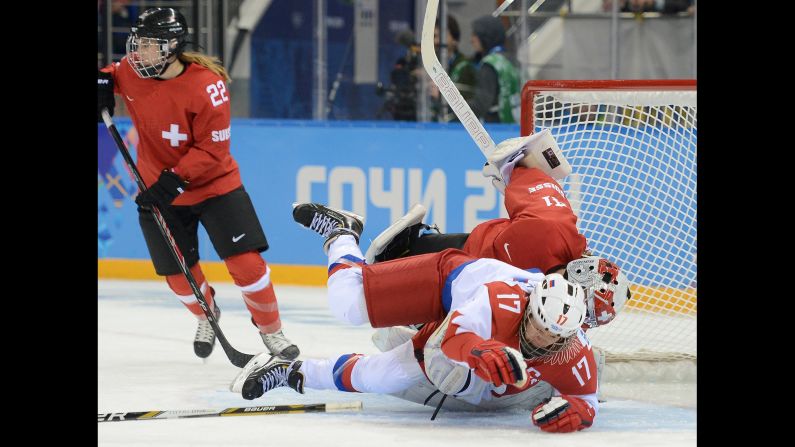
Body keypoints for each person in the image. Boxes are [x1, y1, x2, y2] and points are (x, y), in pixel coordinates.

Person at [231, 224, 598, 433]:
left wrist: (580, 412)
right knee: (350, 310)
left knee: (388, 378)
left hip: (470, 342)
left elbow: (587, 398)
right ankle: (342, 236)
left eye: (554, 336)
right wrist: (478, 350)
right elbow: (453, 338)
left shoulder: (575, 348)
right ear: (529, 307)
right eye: (537, 326)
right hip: (445, 282)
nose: (540, 339)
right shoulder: (497, 301)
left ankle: (295, 371)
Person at [97, 7, 298, 361]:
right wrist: (101, 82)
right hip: (158, 191)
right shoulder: (132, 72)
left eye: (149, 45)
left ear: (171, 48)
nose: (138, 52)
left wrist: (173, 180)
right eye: (138, 43)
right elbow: (111, 73)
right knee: (178, 276)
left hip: (214, 187)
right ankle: (207, 314)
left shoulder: (207, 85)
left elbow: (213, 148)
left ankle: (271, 330)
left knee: (247, 266)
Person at [365, 131, 632, 331]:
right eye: (582, 305)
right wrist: (512, 167)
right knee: (375, 289)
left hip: (474, 293)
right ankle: (404, 252)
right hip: (463, 258)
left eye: (584, 317)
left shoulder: (566, 316)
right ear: (579, 273)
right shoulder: (551, 230)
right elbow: (529, 171)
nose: (573, 311)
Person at [468, 15, 520, 123]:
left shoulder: (489, 64)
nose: (471, 40)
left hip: (495, 127)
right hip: (518, 124)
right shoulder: (513, 61)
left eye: (475, 34)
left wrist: (454, 107)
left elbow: (481, 104)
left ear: (485, 36)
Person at [429, 15, 476, 123]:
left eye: (440, 35)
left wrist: (440, 96)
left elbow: (468, 105)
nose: (436, 41)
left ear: (455, 39)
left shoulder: (465, 66)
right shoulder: (432, 66)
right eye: (434, 36)